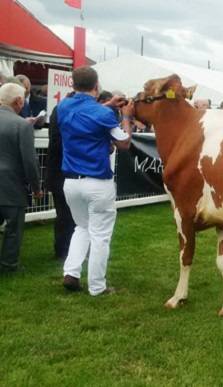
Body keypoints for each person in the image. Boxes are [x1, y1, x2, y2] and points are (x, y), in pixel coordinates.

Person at [57, 66, 134, 295]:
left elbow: (84, 111)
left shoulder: (63, 106)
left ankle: (71, 272)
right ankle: (97, 286)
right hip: (97, 182)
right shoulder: (103, 114)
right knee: (100, 235)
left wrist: (109, 105)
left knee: (81, 227)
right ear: (97, 86)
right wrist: (127, 117)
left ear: (73, 84)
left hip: (71, 182)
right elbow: (124, 143)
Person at [0, 83, 43, 273]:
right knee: (13, 228)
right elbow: (29, 161)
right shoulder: (21, 125)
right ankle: (9, 265)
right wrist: (36, 187)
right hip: (12, 184)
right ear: (18, 101)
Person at [45, 92, 76, 263]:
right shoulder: (64, 112)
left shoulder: (58, 110)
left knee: (64, 214)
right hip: (63, 171)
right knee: (66, 215)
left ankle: (64, 249)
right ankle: (63, 250)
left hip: (57, 171)